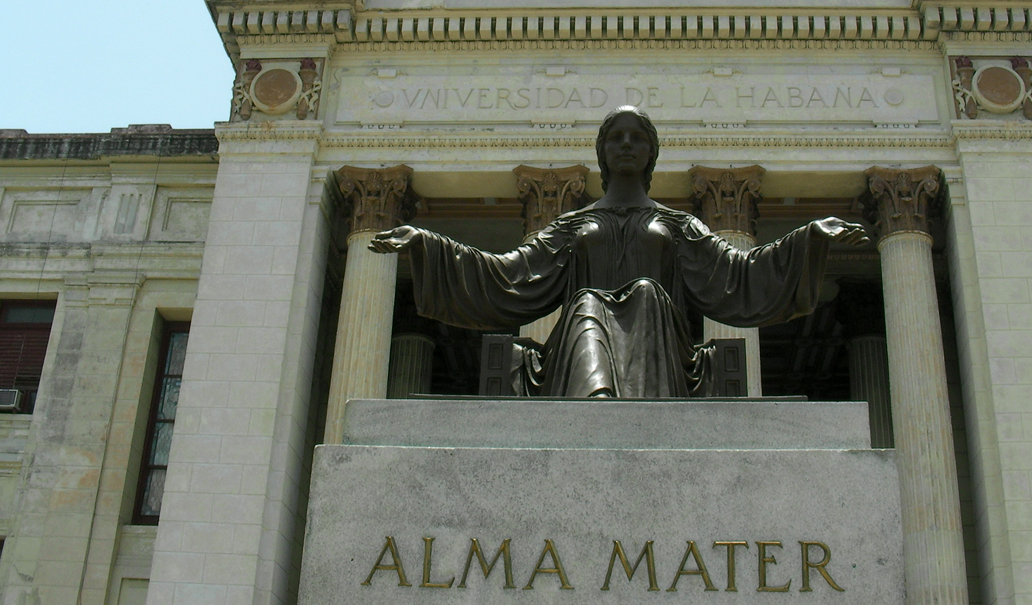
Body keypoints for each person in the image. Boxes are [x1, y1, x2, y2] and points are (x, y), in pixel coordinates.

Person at [369, 106, 869, 398]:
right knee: (588, 305)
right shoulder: (573, 225)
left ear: (651, 154)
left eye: (636, 139)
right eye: (616, 139)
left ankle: (630, 416)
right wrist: (428, 243)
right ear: (603, 155)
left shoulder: (679, 225)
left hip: (665, 356)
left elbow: (739, 275)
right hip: (577, 345)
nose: (626, 145)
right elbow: (509, 276)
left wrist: (810, 238)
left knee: (648, 294)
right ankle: (599, 410)